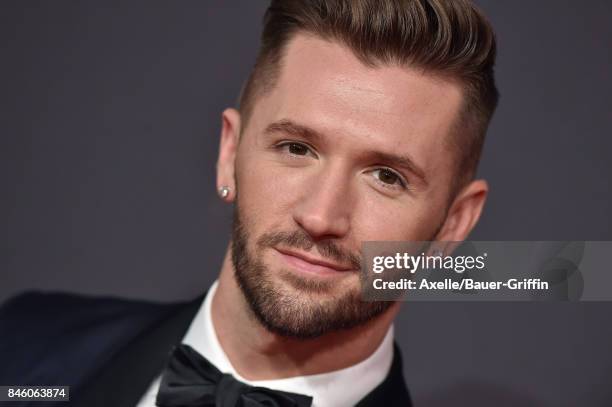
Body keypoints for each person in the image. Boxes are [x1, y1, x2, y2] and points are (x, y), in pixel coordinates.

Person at [0, 0, 498, 406]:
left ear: (454, 224)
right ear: (229, 154)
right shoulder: (22, 345)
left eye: (386, 177)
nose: (321, 216)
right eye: (296, 148)